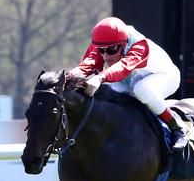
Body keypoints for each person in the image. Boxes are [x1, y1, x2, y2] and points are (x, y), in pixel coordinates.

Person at [71, 17, 187, 151]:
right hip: (131, 81)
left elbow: (123, 67)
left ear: (124, 44)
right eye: (101, 50)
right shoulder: (106, 42)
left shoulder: (140, 45)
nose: (106, 56)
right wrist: (68, 77)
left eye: (111, 50)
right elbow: (89, 63)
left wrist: (99, 78)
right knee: (104, 92)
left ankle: (178, 127)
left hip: (165, 76)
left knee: (142, 90)